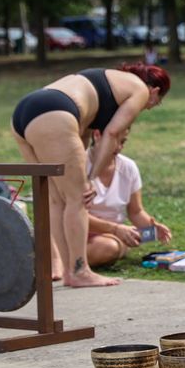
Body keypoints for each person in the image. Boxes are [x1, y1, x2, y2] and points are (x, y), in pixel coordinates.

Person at [11, 62, 170, 288]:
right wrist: (91, 179)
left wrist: (85, 177)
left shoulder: (103, 87)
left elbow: (82, 141)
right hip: (55, 111)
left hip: (24, 112)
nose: (151, 106)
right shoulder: (140, 90)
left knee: (56, 199)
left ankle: (68, 270)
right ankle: (80, 271)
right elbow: (113, 133)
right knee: (78, 198)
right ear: (154, 91)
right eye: (157, 101)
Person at [85, 126, 172, 267]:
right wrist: (115, 229)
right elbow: (75, 215)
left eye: (123, 142)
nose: (119, 147)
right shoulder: (79, 165)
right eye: (115, 141)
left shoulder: (128, 167)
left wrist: (152, 228)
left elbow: (136, 212)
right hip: (80, 235)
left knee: (113, 245)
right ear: (97, 135)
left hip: (112, 235)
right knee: (109, 248)